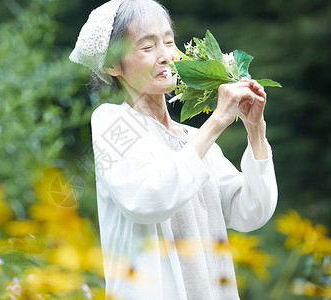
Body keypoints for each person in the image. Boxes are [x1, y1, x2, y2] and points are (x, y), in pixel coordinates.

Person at [70, 0, 278, 299]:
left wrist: (255, 129)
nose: (166, 55)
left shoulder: (191, 137)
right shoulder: (113, 122)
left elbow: (250, 211)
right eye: (147, 46)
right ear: (112, 65)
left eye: (169, 42)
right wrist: (218, 120)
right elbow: (148, 199)